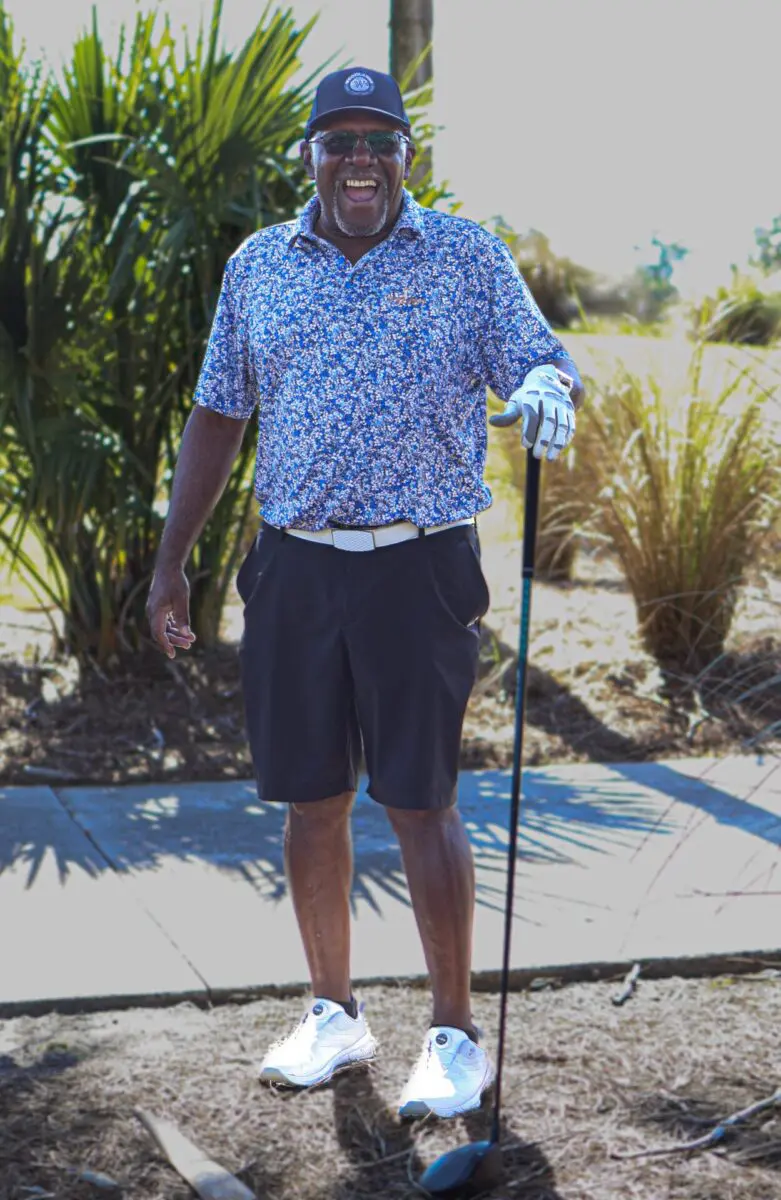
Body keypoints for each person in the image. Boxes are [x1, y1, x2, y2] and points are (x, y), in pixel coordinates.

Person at [146, 66, 584, 1120]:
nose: (358, 159)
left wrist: (545, 384)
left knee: (421, 802)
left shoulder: (465, 255)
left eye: (377, 141)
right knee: (312, 801)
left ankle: (453, 1035)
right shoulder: (259, 265)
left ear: (403, 156)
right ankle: (333, 1015)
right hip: (294, 566)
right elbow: (219, 413)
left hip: (418, 567)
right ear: (309, 155)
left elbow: (542, 361)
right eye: (337, 139)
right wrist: (171, 563)